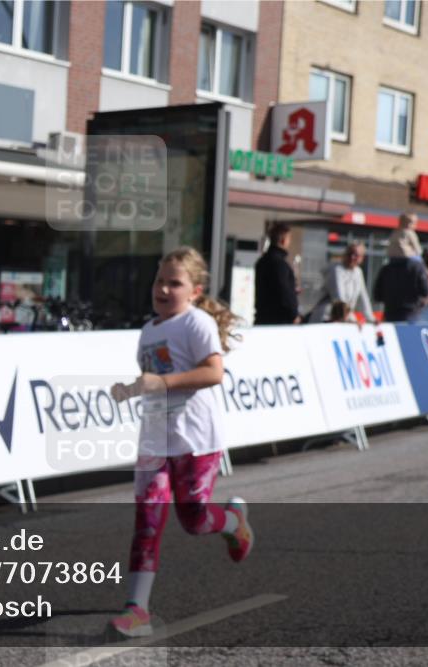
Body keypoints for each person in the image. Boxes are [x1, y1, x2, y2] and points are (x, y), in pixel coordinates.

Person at [108, 247, 253, 638]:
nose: (165, 288)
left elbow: (214, 373)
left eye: (175, 282)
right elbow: (153, 379)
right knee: (148, 520)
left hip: (196, 439)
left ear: (194, 290)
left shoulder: (196, 323)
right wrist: (131, 389)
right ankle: (137, 610)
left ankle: (233, 521)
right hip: (155, 440)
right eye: (160, 281)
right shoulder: (148, 330)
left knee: (194, 520)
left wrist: (163, 383)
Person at [308, 242, 375, 323]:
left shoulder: (358, 272)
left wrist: (371, 319)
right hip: (327, 317)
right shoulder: (336, 270)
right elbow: (339, 299)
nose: (352, 257)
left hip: (344, 317)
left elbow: (363, 297)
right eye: (350, 253)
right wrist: (352, 320)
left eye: (356, 255)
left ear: (362, 258)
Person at [373, 242, 428, 323]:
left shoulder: (386, 269)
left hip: (390, 315)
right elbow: (425, 292)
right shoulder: (417, 267)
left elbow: (377, 296)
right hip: (411, 316)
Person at [254, 223, 300, 325]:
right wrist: (294, 314)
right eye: (289, 238)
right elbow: (284, 293)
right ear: (283, 240)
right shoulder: (280, 264)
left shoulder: (262, 262)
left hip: (263, 319)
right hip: (279, 321)